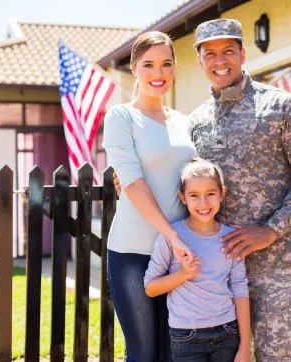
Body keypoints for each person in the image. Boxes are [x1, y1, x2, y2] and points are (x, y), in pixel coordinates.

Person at [114, 18, 291, 362]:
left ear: (242, 53)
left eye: (228, 51)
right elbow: (179, 174)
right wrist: (127, 177)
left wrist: (271, 229)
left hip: (277, 272)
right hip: (212, 277)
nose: (219, 61)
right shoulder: (193, 123)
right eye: (209, 54)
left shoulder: (280, 108)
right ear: (199, 61)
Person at [102, 31, 197, 361]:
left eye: (166, 64)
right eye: (149, 65)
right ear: (134, 68)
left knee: (174, 351)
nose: (159, 73)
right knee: (143, 353)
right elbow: (132, 182)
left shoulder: (185, 123)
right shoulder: (121, 117)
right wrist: (173, 235)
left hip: (178, 255)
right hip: (132, 252)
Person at [144, 158, 250, 362]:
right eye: (194, 195)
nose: (203, 203)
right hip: (186, 336)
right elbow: (150, 287)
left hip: (228, 332)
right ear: (182, 197)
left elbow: (239, 288)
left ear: (222, 194)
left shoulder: (230, 238)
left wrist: (244, 346)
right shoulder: (172, 237)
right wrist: (182, 274)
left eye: (210, 194)